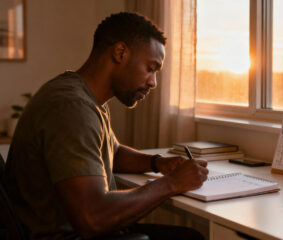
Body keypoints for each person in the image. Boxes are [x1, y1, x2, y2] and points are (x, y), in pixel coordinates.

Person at [4, 12, 208, 240]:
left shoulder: (83, 96)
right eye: (150, 68)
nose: (153, 82)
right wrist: (172, 184)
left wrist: (157, 163)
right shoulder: (72, 108)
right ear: (120, 52)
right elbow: (93, 218)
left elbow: (113, 152)